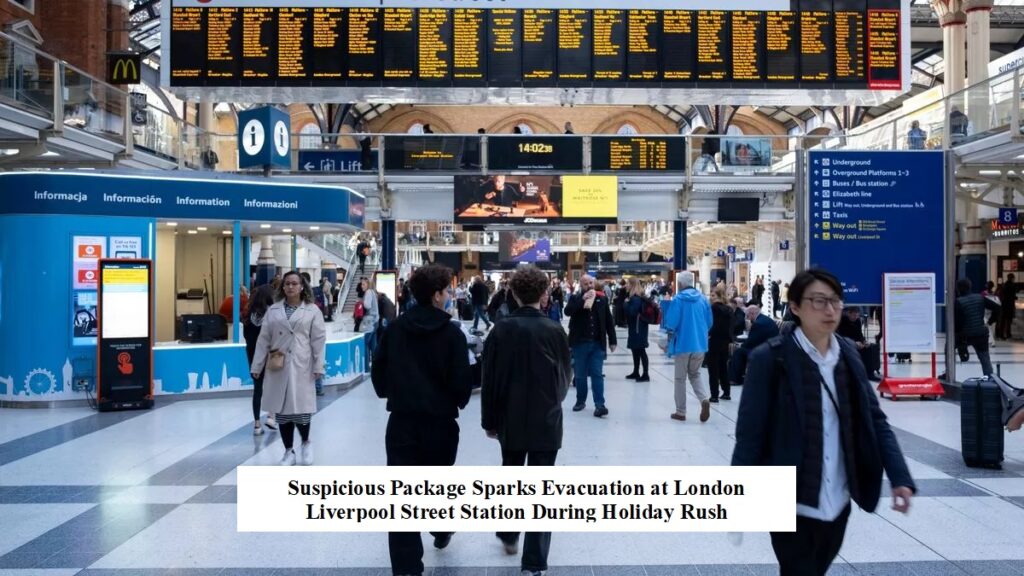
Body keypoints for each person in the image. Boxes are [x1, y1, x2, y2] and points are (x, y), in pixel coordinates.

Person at [732, 268, 916, 576]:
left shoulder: (848, 354)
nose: (830, 310)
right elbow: (749, 435)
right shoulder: (770, 359)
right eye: (818, 301)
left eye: (835, 301)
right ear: (795, 307)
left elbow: (875, 419)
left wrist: (900, 477)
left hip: (839, 501)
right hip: (791, 502)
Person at [371, 264, 472, 576]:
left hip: (402, 422)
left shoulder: (394, 330)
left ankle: (406, 567)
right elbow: (461, 385)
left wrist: (396, 393)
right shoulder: (453, 334)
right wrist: (455, 399)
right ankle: (441, 526)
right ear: (438, 295)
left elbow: (379, 377)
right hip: (440, 424)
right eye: (447, 291)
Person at [481, 265, 571, 576]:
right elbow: (564, 378)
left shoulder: (501, 330)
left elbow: (489, 379)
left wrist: (489, 420)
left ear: (513, 294)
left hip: (510, 417)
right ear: (544, 294)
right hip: (546, 419)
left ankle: (508, 532)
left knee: (512, 474)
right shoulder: (554, 330)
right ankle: (534, 561)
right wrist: (552, 402)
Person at [250, 271, 326, 466]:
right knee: (282, 410)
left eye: (294, 283)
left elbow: (318, 340)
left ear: (302, 287)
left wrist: (319, 365)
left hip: (302, 363)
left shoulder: (312, 311)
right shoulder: (273, 311)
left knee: (301, 410)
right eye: (287, 284)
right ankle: (288, 451)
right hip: (278, 363)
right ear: (282, 287)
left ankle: (306, 443)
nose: (290, 287)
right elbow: (264, 339)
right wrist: (257, 364)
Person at [663, 271, 713, 423]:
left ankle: (681, 411)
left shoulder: (678, 299)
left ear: (680, 284)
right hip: (700, 344)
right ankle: (704, 399)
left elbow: (671, 322)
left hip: (683, 344)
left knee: (680, 378)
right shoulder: (703, 299)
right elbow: (709, 322)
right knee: (695, 374)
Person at [565, 274, 617, 417]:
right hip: (579, 343)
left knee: (597, 374)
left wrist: (612, 340)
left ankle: (600, 404)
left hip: (597, 343)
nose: (589, 286)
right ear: (581, 286)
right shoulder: (575, 298)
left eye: (591, 283)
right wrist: (582, 301)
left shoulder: (602, 299)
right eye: (586, 284)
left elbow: (608, 321)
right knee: (580, 375)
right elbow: (567, 311)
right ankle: (580, 401)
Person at [244, 284, 276, 435]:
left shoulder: (248, 316)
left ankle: (257, 424)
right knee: (274, 385)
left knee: (258, 389)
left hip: (252, 355)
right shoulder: (272, 315)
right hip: (271, 354)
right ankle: (271, 416)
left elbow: (247, 338)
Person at [955, 278, 1000, 376]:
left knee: (948, 347)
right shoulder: (980, 297)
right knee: (985, 360)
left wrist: (958, 338)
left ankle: (948, 372)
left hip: (965, 336)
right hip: (981, 334)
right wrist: (990, 322)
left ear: (958, 289)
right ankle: (990, 380)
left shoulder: (958, 302)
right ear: (970, 287)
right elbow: (997, 308)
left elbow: (957, 323)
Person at [729, 305, 781, 386]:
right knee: (742, 350)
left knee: (739, 352)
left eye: (747, 315)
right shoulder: (763, 319)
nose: (747, 318)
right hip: (770, 347)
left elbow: (750, 342)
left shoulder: (758, 323)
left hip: (767, 351)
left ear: (752, 313)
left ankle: (735, 379)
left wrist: (741, 345)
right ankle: (738, 376)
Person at [837, 307, 882, 381]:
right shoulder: (841, 321)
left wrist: (864, 341)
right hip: (845, 343)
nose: (856, 317)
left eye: (857, 315)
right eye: (854, 315)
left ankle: (869, 373)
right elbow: (841, 336)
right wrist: (854, 343)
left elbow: (859, 334)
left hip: (857, 343)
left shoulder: (857, 321)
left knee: (869, 348)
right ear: (848, 313)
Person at [708, 284, 734, 402]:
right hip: (725, 341)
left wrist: (708, 333)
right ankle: (726, 392)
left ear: (718, 295)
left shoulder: (714, 308)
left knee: (713, 368)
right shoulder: (729, 309)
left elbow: (714, 325)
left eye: (713, 295)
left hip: (714, 340)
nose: (711, 297)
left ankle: (714, 394)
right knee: (723, 367)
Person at [624, 278, 651, 382]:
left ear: (632, 285)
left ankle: (645, 374)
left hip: (637, 328)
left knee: (640, 350)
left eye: (627, 284)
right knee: (636, 349)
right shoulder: (638, 297)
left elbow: (632, 312)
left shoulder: (635, 299)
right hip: (638, 327)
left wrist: (626, 303)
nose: (626, 285)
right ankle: (636, 371)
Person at [358, 277, 381, 362]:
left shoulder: (368, 292)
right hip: (375, 321)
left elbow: (367, 305)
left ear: (368, 284)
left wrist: (361, 302)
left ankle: (366, 367)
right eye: (361, 284)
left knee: (365, 344)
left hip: (369, 322)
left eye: (363, 284)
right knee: (373, 345)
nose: (361, 286)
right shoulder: (373, 292)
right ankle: (376, 365)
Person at [998, 273, 1018, 340]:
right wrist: (1015, 298)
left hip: (1004, 305)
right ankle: (1008, 334)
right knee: (1009, 321)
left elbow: (1001, 294)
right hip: (1009, 305)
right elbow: (1013, 296)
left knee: (1003, 320)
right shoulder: (1012, 285)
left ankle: (1001, 335)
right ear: (1012, 278)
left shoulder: (1004, 285)